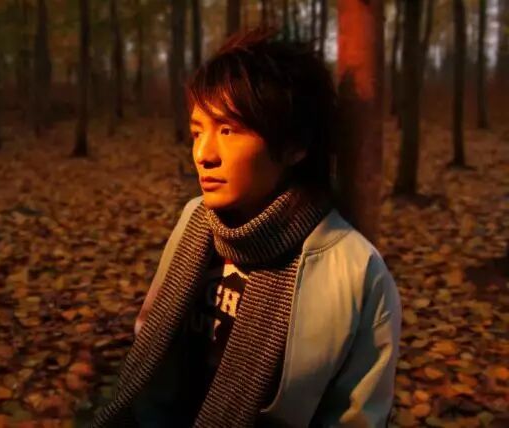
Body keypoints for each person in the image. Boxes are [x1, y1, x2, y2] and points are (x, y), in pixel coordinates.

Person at [90, 28, 401, 428]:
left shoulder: (357, 271)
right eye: (197, 132)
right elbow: (151, 342)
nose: (204, 155)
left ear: (295, 145)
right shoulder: (196, 220)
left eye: (227, 130)